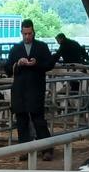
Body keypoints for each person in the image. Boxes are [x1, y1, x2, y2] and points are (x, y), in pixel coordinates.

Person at [5, 19, 54, 160]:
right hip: (19, 90)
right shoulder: (15, 49)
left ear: (34, 32)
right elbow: (7, 69)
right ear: (21, 33)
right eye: (25, 34)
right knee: (21, 121)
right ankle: (24, 150)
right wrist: (17, 63)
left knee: (39, 120)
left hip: (36, 89)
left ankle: (47, 149)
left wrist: (36, 63)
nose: (27, 36)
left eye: (30, 33)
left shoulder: (42, 47)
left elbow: (49, 64)